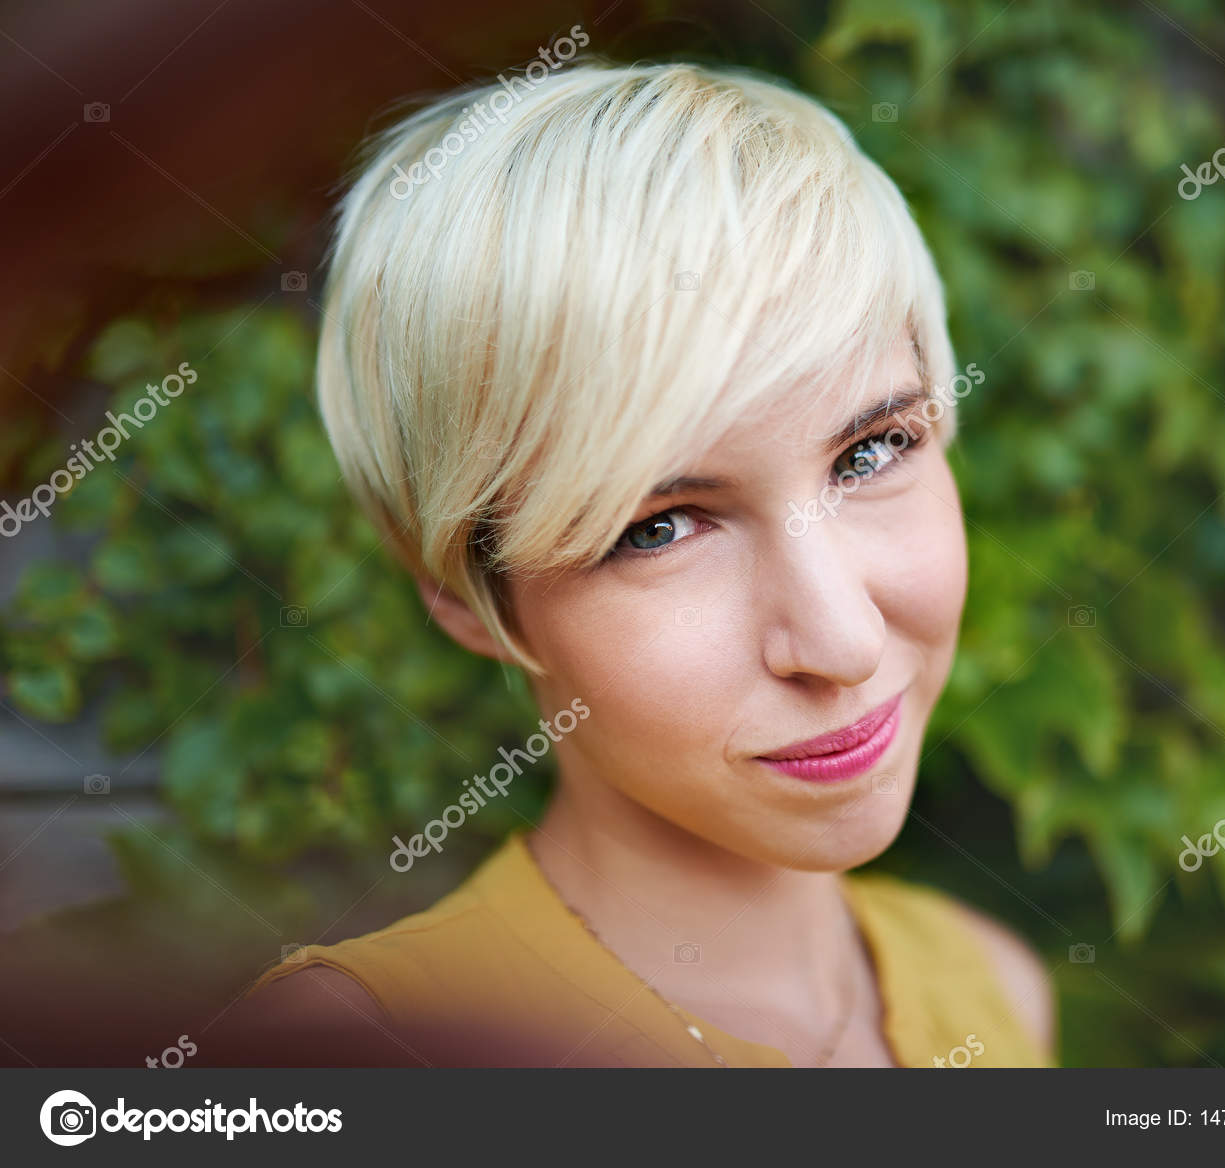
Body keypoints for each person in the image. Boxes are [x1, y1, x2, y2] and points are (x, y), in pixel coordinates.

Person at [232, 57, 1056, 1068]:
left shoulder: (991, 988)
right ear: (461, 590)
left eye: (870, 451)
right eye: (656, 528)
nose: (841, 639)